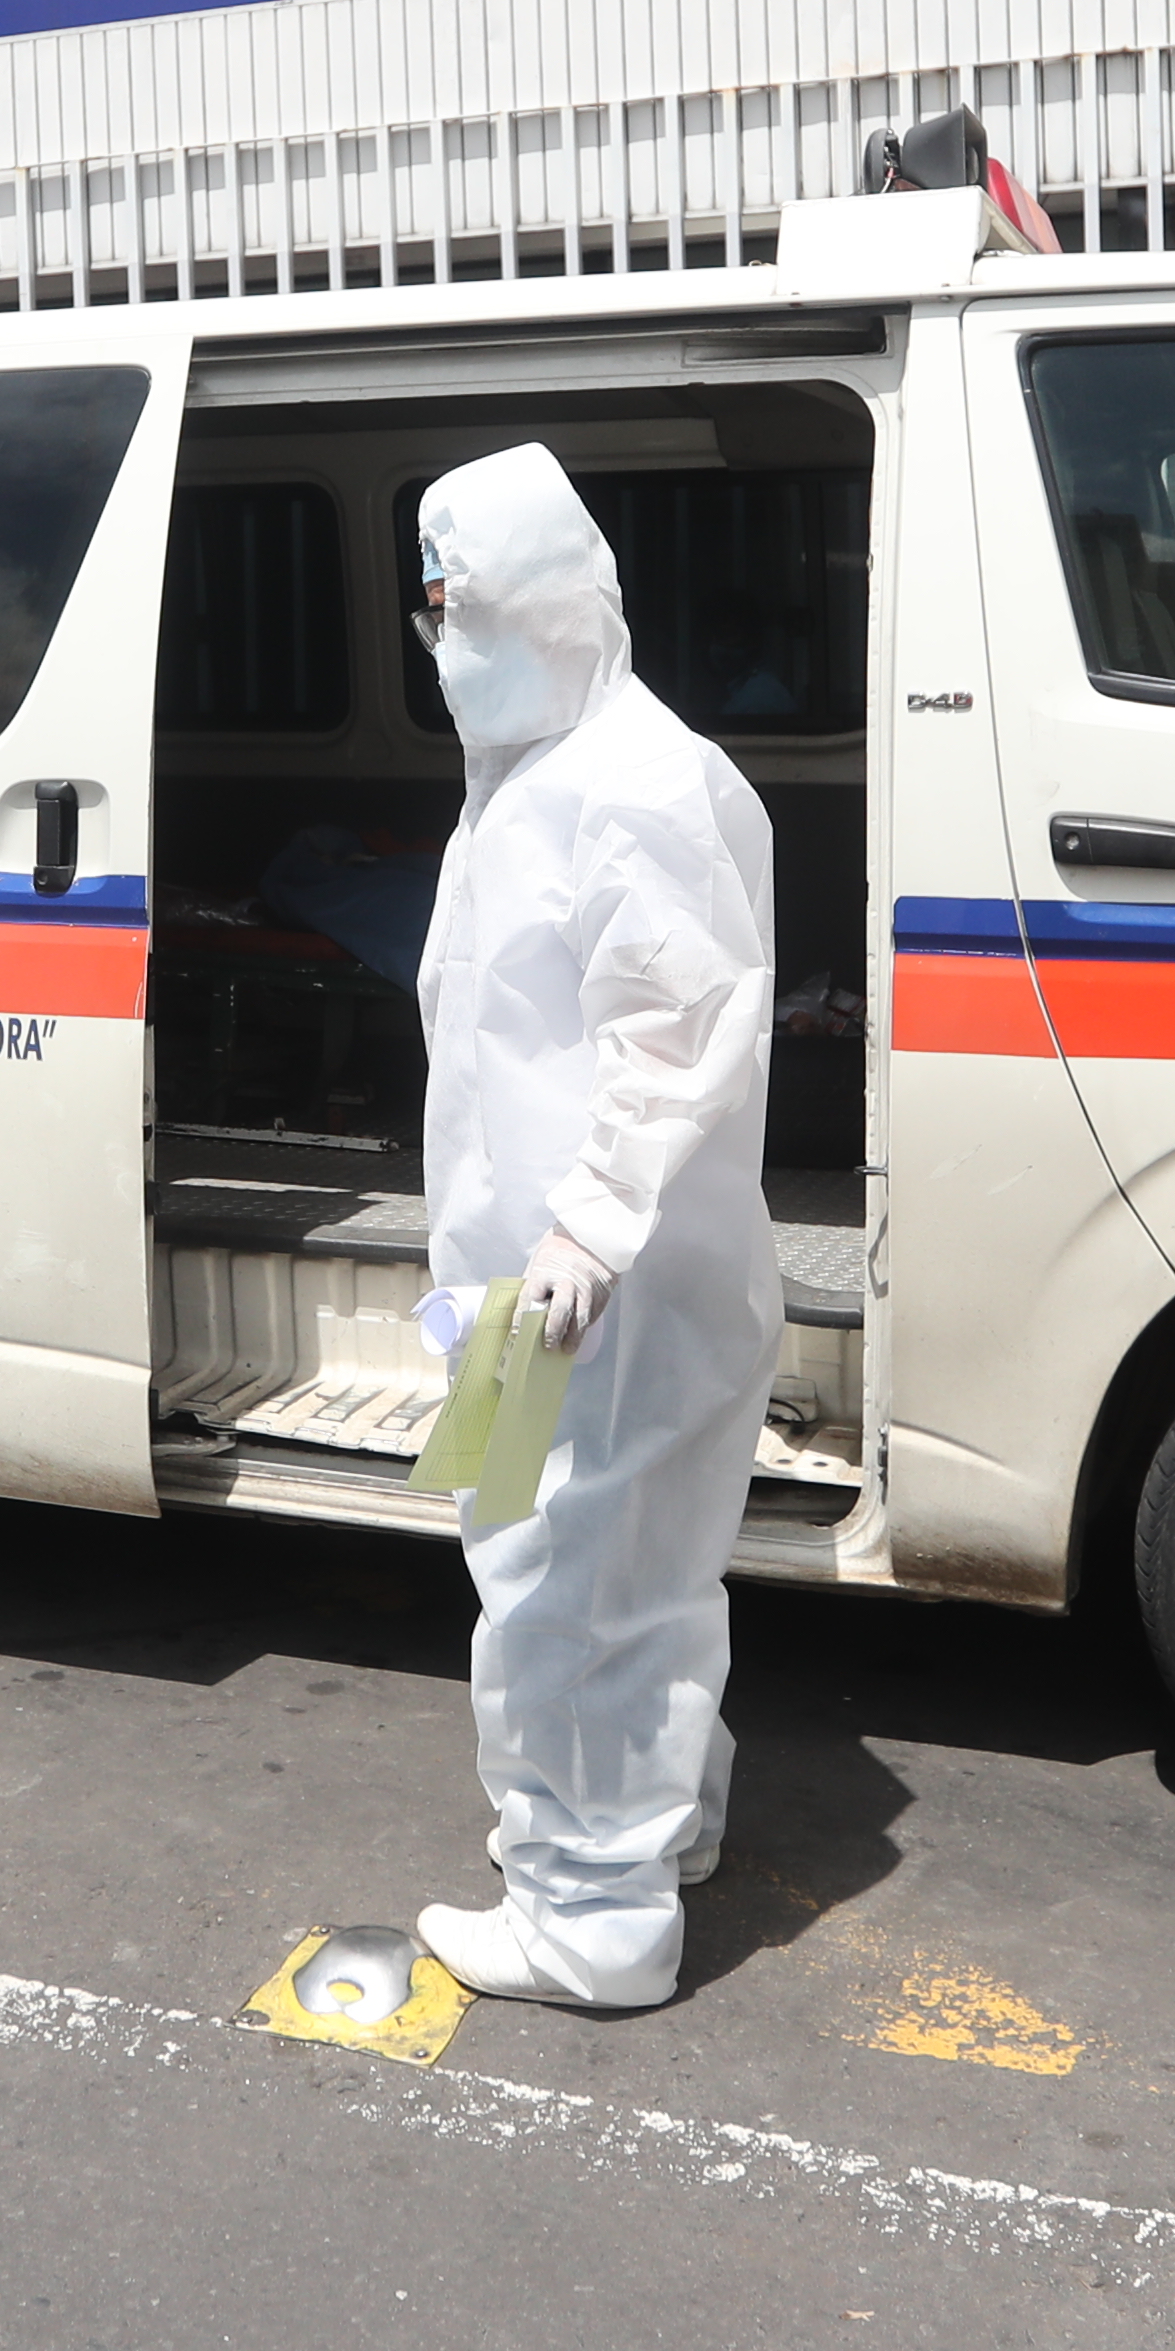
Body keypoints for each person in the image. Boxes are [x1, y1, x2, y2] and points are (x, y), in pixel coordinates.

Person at [402, 448, 783, 2013]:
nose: (440, 640)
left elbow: (677, 1026)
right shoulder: (535, 772)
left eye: (462, 604)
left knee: (574, 1577)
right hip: (524, 1277)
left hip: (590, 1287)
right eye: (428, 608)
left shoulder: (634, 776)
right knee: (570, 1554)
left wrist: (590, 1227)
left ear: (555, 603)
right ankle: (651, 1825)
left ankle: (588, 1917)